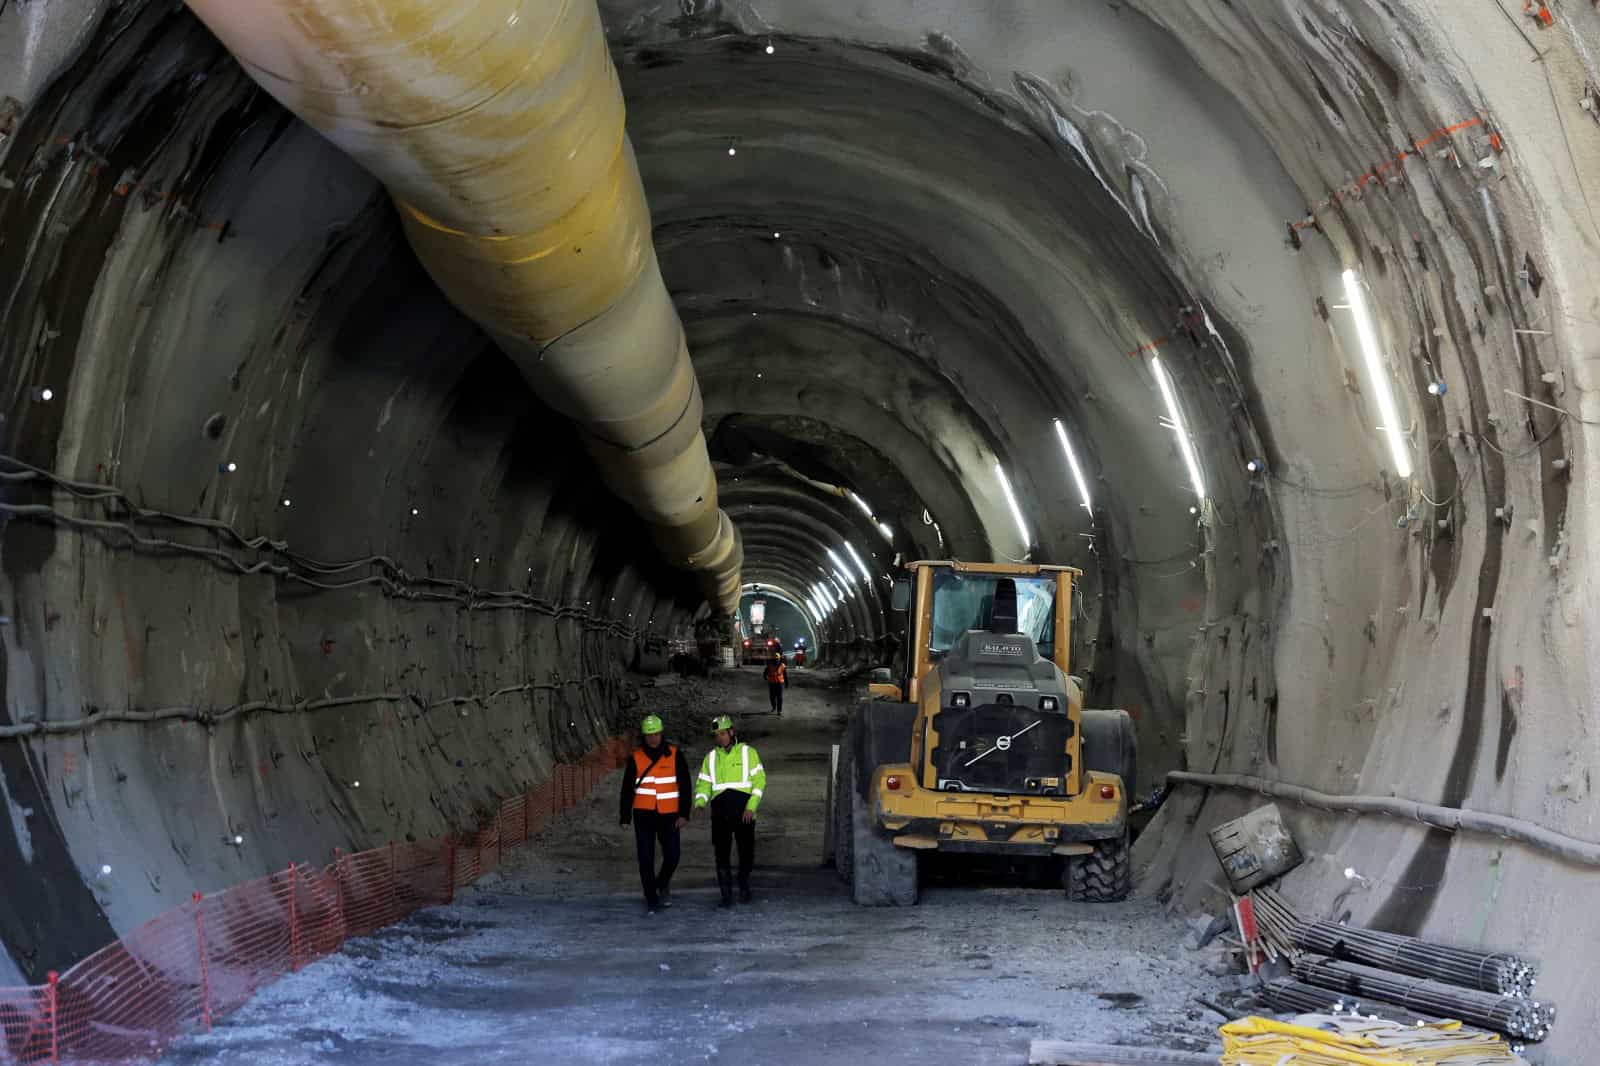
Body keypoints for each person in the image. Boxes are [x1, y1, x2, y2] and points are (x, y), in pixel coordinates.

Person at [619, 714, 692, 914]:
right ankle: (651, 897)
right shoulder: (636, 758)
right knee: (645, 858)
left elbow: (685, 785)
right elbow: (627, 789)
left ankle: (662, 883)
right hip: (643, 814)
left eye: (656, 734)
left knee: (673, 856)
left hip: (669, 814)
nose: (653, 738)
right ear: (644, 736)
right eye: (649, 735)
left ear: (661, 734)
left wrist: (684, 813)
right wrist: (625, 816)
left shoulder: (674, 754)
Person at [693, 715, 766, 906]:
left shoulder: (748, 753)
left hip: (743, 810)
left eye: (723, 733)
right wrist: (700, 803)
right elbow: (703, 784)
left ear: (732, 732)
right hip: (720, 812)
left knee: (746, 853)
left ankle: (743, 885)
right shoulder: (710, 758)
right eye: (716, 735)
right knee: (721, 854)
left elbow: (759, 782)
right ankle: (726, 896)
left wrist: (751, 807)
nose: (720, 738)